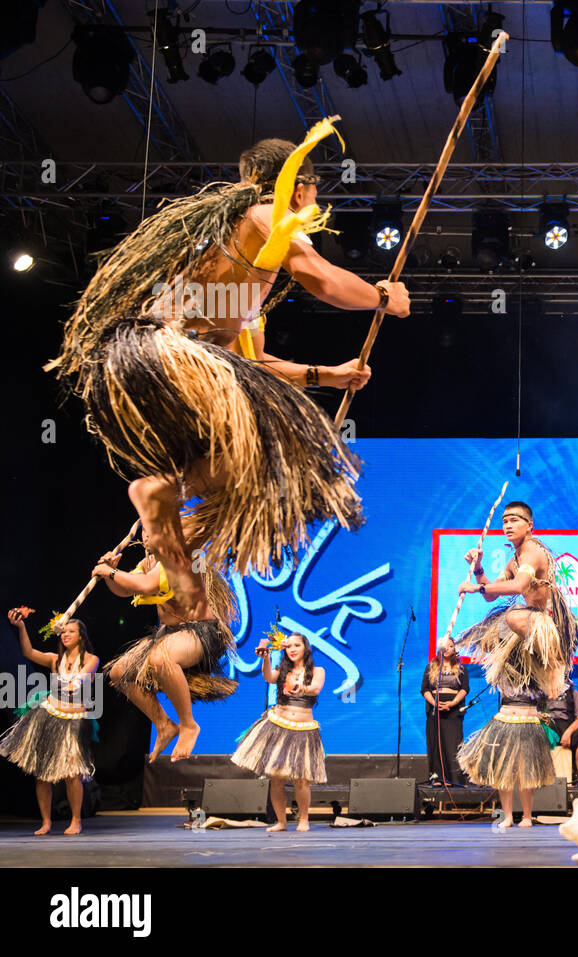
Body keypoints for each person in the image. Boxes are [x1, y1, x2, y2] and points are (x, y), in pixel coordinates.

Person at [45, 121, 411, 604]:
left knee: (248, 478)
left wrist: (329, 374)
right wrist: (384, 296)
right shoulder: (265, 216)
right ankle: (161, 499)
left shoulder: (229, 257)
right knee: (283, 462)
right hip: (171, 354)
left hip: (142, 363)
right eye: (315, 190)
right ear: (299, 188)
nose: (315, 201)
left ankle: (168, 538)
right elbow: (319, 278)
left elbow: (254, 365)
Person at [97, 525, 237, 761]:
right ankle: (163, 725)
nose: (147, 536)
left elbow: (145, 586)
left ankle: (188, 725)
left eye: (154, 529)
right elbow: (125, 589)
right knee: (119, 673)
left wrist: (109, 572)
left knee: (161, 657)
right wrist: (110, 573)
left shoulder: (183, 556)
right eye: (145, 531)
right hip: (169, 633)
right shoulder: (148, 562)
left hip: (201, 631)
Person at [457, 501, 578, 699]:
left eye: (514, 520)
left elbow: (518, 586)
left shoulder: (532, 550)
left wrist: (475, 587)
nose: (508, 526)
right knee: (486, 638)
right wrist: (478, 567)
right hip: (532, 622)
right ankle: (534, 673)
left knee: (513, 617)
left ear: (529, 525)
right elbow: (490, 595)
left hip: (551, 625)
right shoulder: (515, 560)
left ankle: (556, 663)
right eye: (505, 521)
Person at [1, 610, 98, 835]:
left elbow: (83, 676)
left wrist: (73, 684)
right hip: (50, 715)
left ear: (81, 636)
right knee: (43, 773)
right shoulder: (55, 660)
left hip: (74, 719)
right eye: (63, 632)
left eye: (71, 632)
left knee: (72, 773)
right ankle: (46, 822)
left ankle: (76, 821)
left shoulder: (91, 660)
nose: (65, 635)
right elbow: (28, 652)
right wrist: (21, 627)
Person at [230, 632, 327, 832]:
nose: (292, 649)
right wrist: (265, 656)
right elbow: (267, 676)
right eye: (288, 646)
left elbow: (315, 689)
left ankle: (303, 820)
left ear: (305, 648)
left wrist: (298, 687)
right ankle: (281, 822)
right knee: (276, 778)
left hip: (303, 729)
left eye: (296, 645)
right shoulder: (281, 671)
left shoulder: (317, 670)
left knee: (301, 779)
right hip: (278, 726)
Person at [458, 684, 555, 828]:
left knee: (525, 771)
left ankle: (527, 816)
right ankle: (508, 817)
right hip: (505, 721)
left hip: (528, 724)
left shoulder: (536, 675)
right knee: (504, 771)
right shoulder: (504, 672)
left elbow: (552, 691)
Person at [422, 638, 469, 785]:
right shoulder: (430, 667)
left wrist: (453, 703)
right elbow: (424, 689)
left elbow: (465, 688)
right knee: (436, 742)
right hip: (435, 709)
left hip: (453, 710)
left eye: (451, 646)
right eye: (445, 646)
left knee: (453, 743)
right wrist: (435, 703)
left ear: (455, 649)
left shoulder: (461, 667)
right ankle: (437, 777)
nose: (448, 648)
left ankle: (453, 779)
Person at [545, 679, 578, 779]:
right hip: (547, 727)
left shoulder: (573, 693)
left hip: (568, 728)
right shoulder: (539, 694)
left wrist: (568, 733)